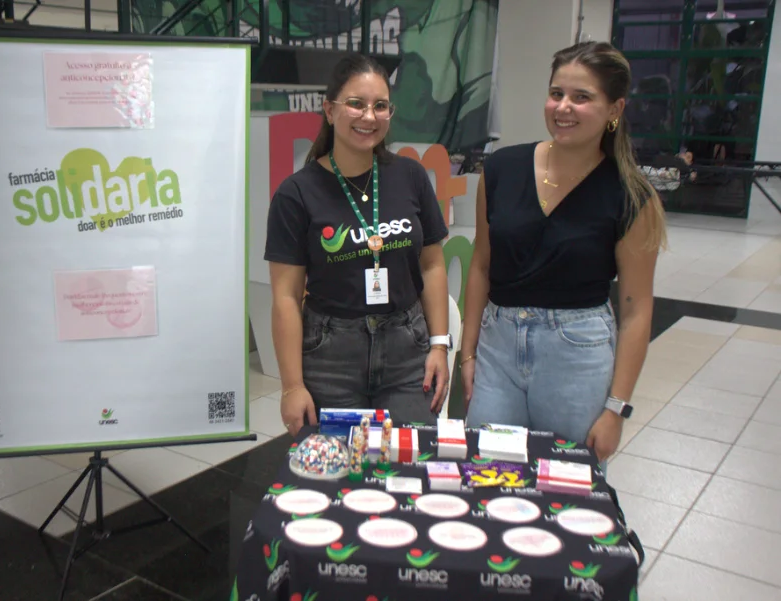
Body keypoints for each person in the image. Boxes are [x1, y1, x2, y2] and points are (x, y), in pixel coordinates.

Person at [460, 41, 667, 464]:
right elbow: (481, 265)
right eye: (556, 94)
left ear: (615, 109)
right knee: (485, 475)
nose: (563, 107)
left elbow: (636, 308)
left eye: (582, 97)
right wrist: (468, 351)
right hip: (498, 348)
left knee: (567, 484)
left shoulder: (631, 195)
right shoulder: (502, 169)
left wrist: (616, 409)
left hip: (577, 353)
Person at [265, 53, 451, 438]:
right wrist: (292, 386)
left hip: (407, 351)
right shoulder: (296, 194)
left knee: (410, 466)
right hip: (331, 357)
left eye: (380, 106)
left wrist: (438, 345)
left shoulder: (410, 176)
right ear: (330, 111)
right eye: (356, 104)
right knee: (336, 475)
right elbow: (286, 296)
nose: (369, 116)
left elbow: (432, 264)